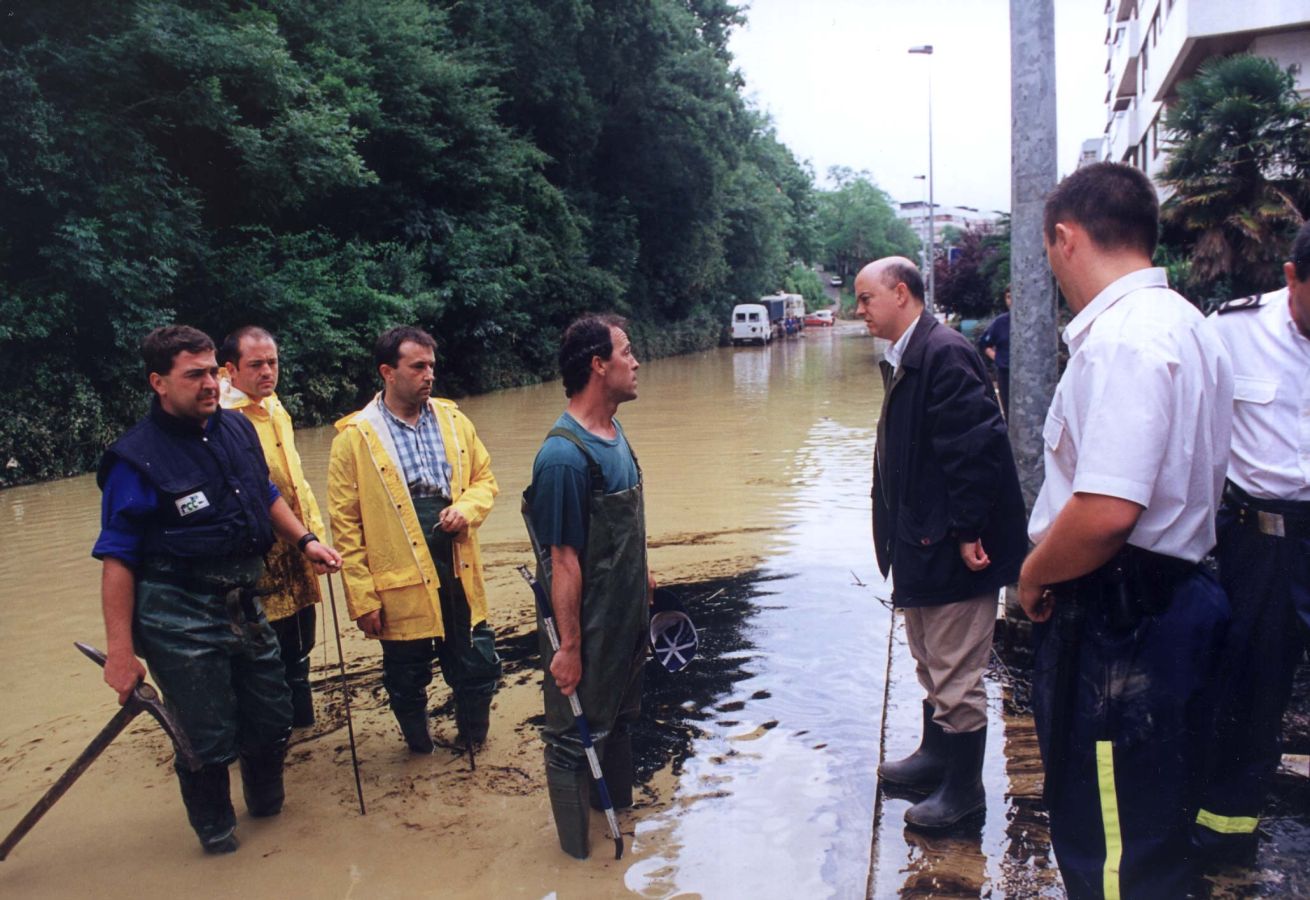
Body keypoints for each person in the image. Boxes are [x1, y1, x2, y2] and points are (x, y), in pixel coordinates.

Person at [1018, 162, 1233, 899]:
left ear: (1066, 238)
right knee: (1151, 825)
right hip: (1179, 600)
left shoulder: (1122, 342)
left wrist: (1034, 574)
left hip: (1121, 621)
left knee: (1111, 845)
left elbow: (1107, 512)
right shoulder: (1189, 326)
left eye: (1049, 252)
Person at [92, 325, 342, 855]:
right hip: (175, 608)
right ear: (159, 382)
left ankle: (269, 811)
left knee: (272, 716)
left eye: (212, 371)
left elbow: (265, 493)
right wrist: (120, 653)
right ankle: (217, 837)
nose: (210, 383)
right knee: (206, 736)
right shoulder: (135, 459)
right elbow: (117, 559)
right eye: (194, 375)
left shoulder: (236, 430)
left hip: (243, 597)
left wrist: (306, 541)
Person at [857, 257, 1027, 831]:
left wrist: (970, 528)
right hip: (923, 537)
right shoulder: (913, 353)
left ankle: (964, 791)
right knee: (929, 658)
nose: (858, 310)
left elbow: (976, 446)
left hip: (952, 542)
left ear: (900, 293)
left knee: (955, 667)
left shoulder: (943, 352)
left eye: (865, 298)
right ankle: (936, 755)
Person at [327, 326, 501, 756]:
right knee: (405, 672)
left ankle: (473, 739)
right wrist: (362, 599)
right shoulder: (354, 437)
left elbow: (485, 480)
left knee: (476, 657)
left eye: (432, 366)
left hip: (455, 557)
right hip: (397, 573)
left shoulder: (455, 421)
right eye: (418, 366)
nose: (429, 375)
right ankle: (420, 746)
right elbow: (345, 527)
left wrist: (468, 510)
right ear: (388, 371)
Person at [1194, 221, 1310, 861]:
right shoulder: (1231, 332)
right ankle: (1224, 833)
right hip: (1261, 541)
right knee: (1252, 685)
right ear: (1291, 277)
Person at [522, 313, 656, 859]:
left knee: (620, 721)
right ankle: (577, 861)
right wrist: (570, 649)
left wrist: (642, 574)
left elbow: (622, 528)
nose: (636, 361)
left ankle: (616, 822)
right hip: (587, 624)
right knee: (569, 741)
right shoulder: (563, 457)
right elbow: (563, 561)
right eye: (626, 352)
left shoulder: (616, 434)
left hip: (626, 616)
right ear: (599, 365)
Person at [219, 326, 324, 727]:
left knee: (301, 641)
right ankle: (270, 731)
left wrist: (314, 534)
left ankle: (300, 726)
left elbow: (296, 480)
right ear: (229, 370)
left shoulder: (276, 407)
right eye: (256, 364)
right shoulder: (222, 421)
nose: (268, 371)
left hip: (298, 546)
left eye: (273, 362)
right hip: (259, 557)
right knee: (265, 649)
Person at [976, 288, 1011, 417]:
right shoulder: (1000, 323)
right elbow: (984, 343)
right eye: (1008, 297)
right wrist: (998, 358)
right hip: (1006, 373)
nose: (1011, 300)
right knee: (1008, 411)